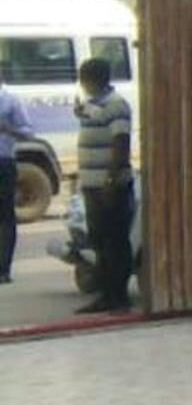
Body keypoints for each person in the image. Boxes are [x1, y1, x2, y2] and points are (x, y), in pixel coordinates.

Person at [72, 55, 135, 314]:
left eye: (84, 80)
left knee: (115, 242)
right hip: (92, 185)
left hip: (110, 186)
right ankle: (106, 294)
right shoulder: (95, 104)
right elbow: (94, 120)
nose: (83, 85)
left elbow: (121, 143)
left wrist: (111, 179)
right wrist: (81, 112)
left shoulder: (116, 105)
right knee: (99, 241)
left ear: (94, 80)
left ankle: (119, 297)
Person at [0, 65, 36, 285]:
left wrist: (7, 130)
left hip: (3, 162)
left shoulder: (11, 101)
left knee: (5, 216)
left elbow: (28, 133)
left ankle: (3, 269)